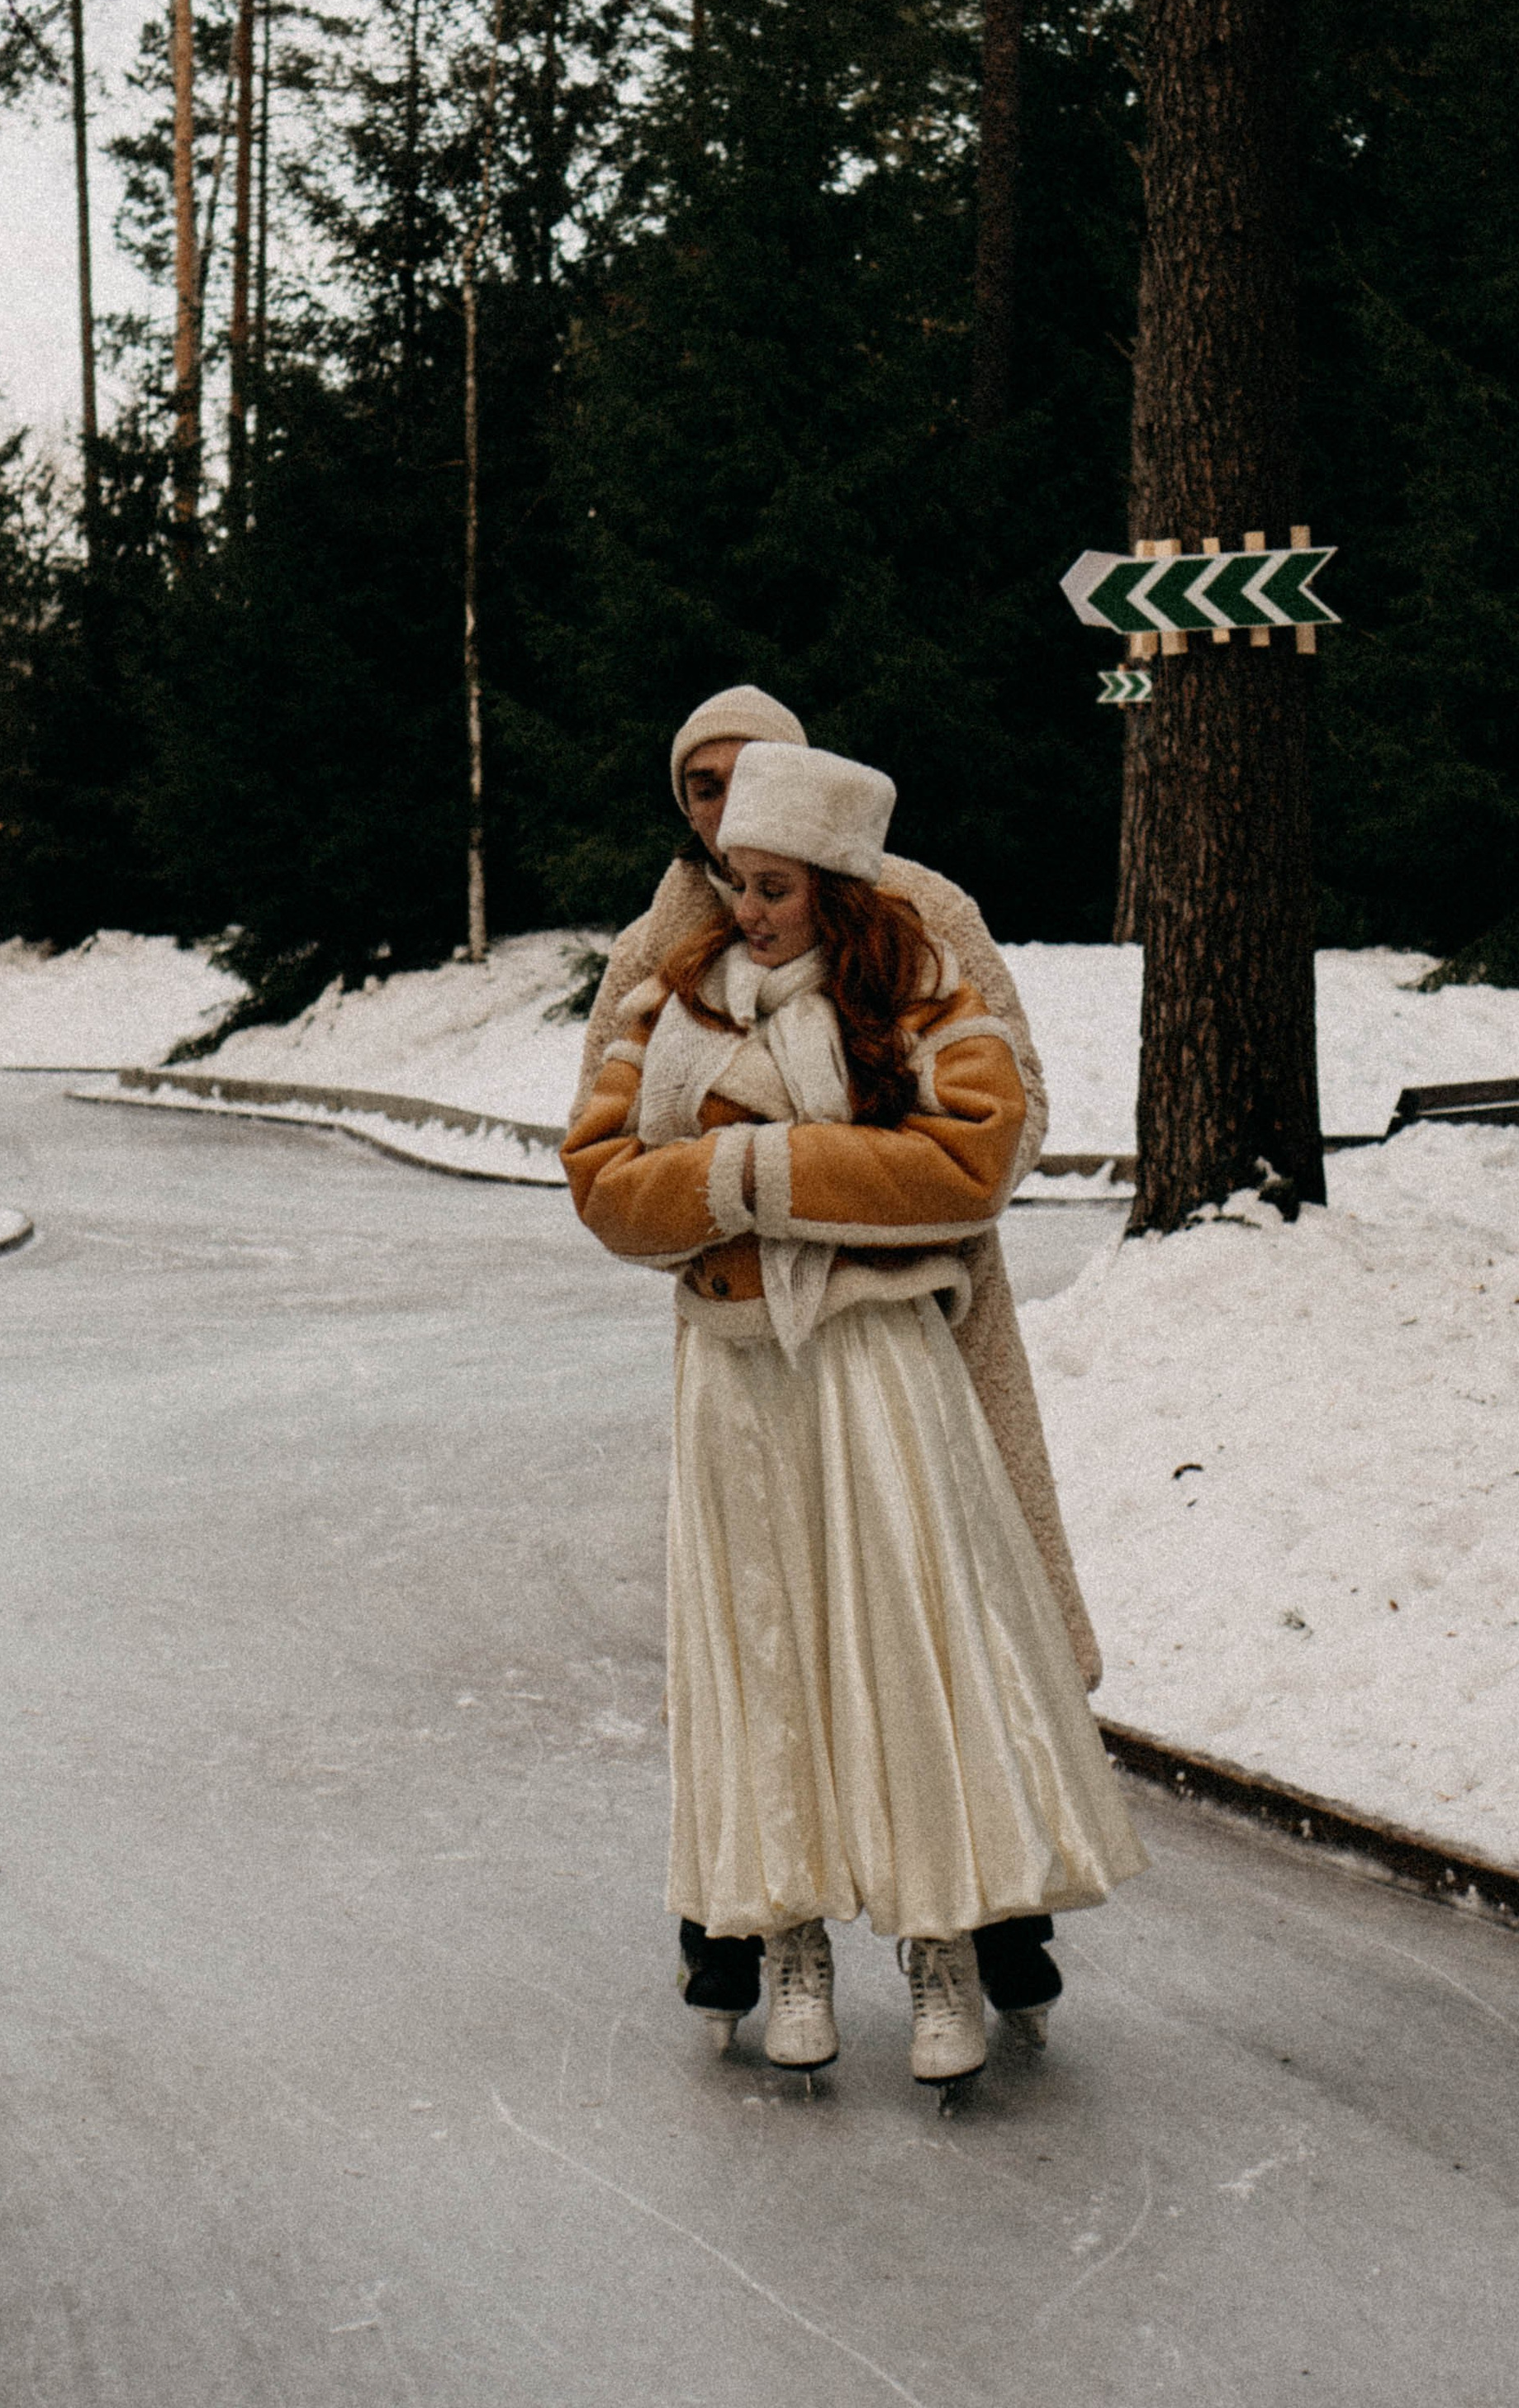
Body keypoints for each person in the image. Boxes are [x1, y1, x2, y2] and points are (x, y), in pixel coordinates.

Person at [563, 742, 1144, 2092]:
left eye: (770, 884)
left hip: (880, 1366)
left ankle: (946, 1943)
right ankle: (785, 1944)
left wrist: (742, 1169)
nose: (744, 905)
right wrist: (781, 1187)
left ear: (828, 878)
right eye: (731, 879)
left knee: (909, 1642)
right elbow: (601, 1180)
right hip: (740, 1374)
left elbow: (970, 1160)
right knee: (766, 1652)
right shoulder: (670, 997)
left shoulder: (917, 984)